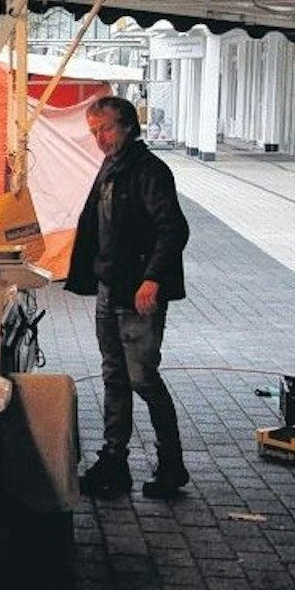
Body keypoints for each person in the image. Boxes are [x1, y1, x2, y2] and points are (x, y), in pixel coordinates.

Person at [68, 95, 192, 499]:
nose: (99, 139)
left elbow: (173, 228)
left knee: (143, 378)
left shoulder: (149, 170)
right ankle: (113, 461)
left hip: (137, 293)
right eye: (94, 132)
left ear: (126, 127)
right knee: (114, 378)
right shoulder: (112, 166)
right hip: (110, 287)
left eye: (104, 129)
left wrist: (152, 278)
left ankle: (171, 464)